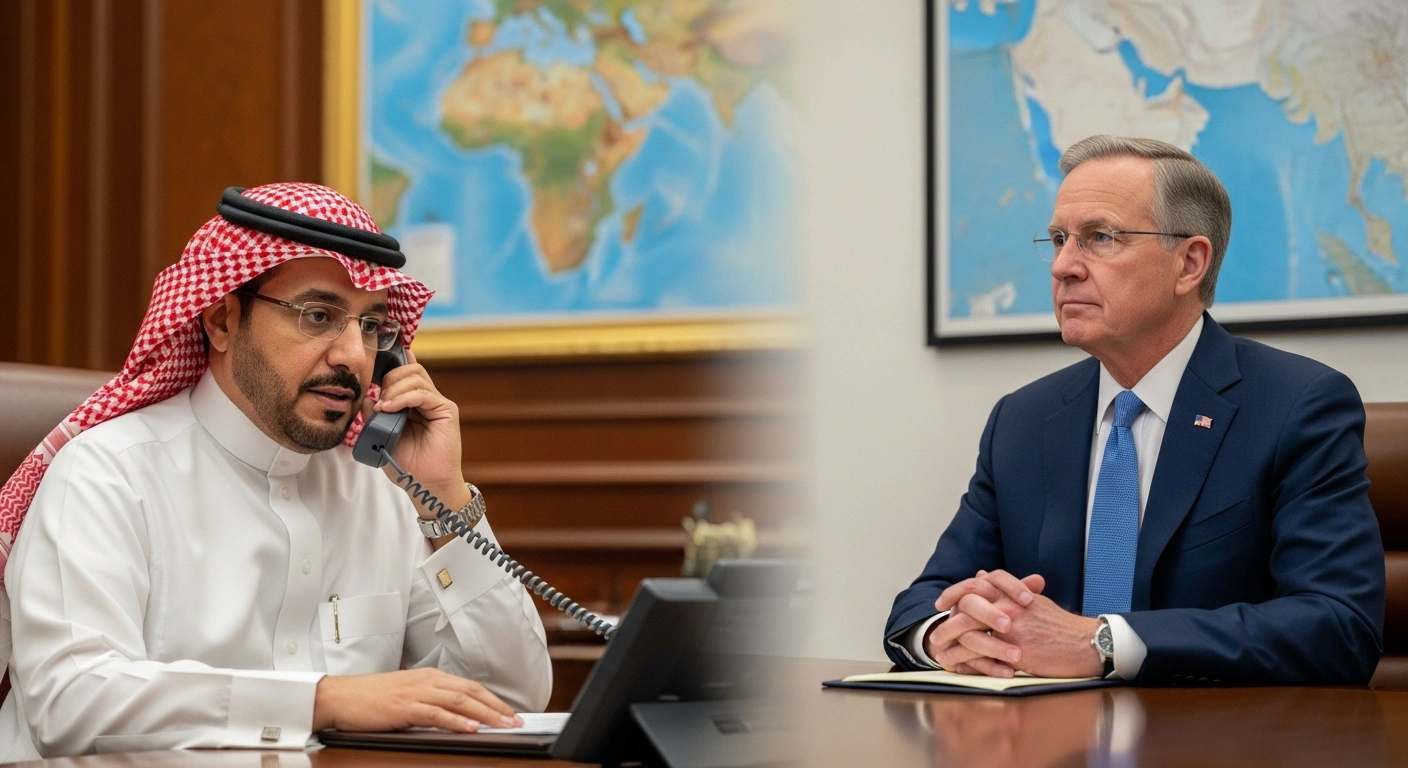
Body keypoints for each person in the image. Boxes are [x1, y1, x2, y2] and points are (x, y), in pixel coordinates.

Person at [0, 183, 551, 759]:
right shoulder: (107, 474)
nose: (354, 357)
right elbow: (68, 700)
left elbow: (509, 699)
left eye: (370, 327)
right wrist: (321, 700)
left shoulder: (384, 491)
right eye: (318, 316)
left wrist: (444, 500)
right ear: (220, 321)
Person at [885, 135, 1385, 685]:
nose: (1063, 267)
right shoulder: (1024, 420)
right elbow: (926, 599)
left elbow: (1338, 625)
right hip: (1046, 742)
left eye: (1099, 237)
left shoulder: (1296, 405)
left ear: (1189, 263)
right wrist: (942, 636)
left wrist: (1101, 642)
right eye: (1057, 239)